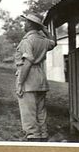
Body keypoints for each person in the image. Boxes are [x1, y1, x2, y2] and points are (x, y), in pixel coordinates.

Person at [15, 12, 56, 142]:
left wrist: (20, 83)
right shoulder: (44, 40)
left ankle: (33, 140)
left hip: (28, 79)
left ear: (31, 24)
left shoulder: (27, 41)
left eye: (26, 22)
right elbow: (54, 42)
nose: (24, 24)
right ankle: (43, 136)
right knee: (40, 112)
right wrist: (45, 30)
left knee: (28, 113)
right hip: (40, 78)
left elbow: (28, 62)